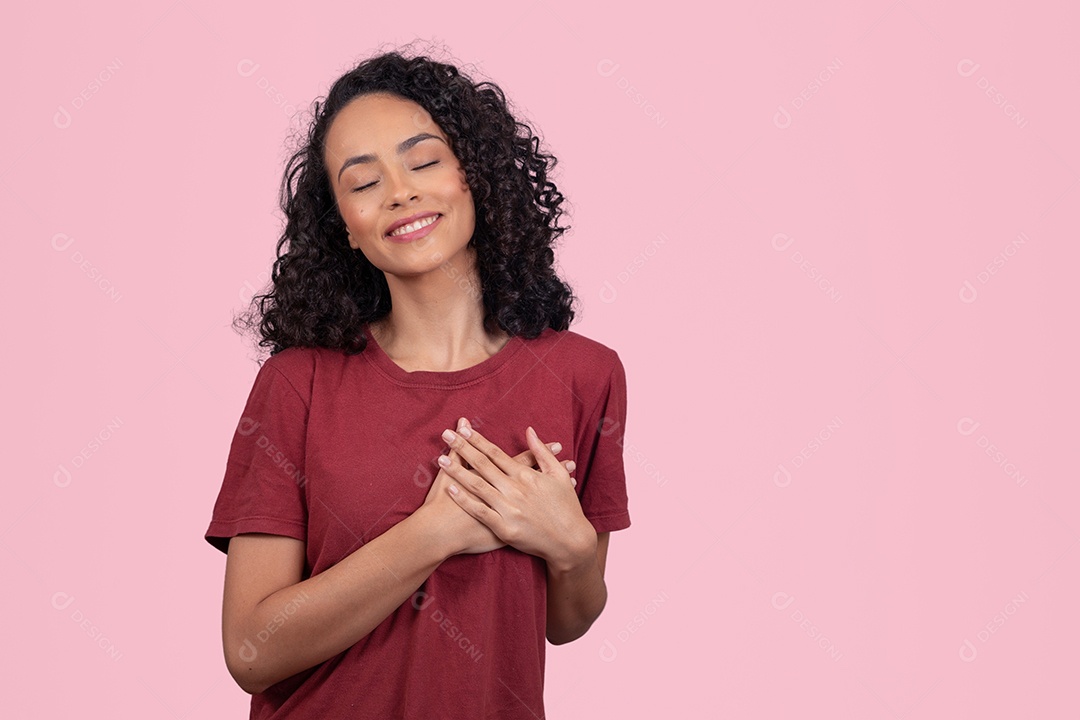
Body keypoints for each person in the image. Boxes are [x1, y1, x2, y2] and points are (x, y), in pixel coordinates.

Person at [204, 44, 630, 719]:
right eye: (362, 181)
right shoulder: (297, 386)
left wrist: (573, 546)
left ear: (474, 176)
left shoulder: (585, 374)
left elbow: (564, 620)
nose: (400, 191)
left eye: (424, 160)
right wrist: (434, 533)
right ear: (344, 226)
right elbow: (252, 651)